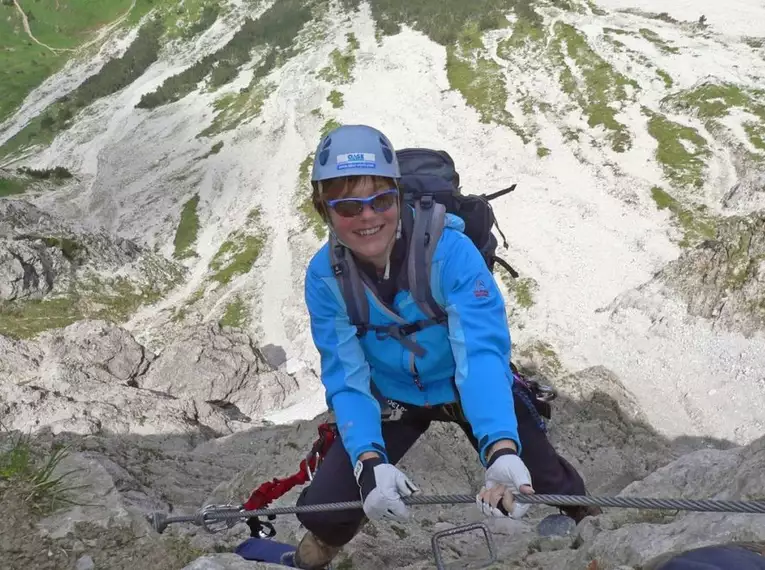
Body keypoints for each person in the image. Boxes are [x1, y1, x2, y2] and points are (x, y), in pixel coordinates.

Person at [291, 124, 599, 570]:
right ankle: (329, 538)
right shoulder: (326, 277)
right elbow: (345, 375)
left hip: (461, 381)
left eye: (381, 200)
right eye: (347, 206)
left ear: (397, 196)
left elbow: (479, 352)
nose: (367, 217)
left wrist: (500, 446)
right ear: (325, 210)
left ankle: (582, 510)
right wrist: (369, 461)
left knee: (538, 471)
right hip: (394, 392)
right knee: (329, 502)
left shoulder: (451, 252)